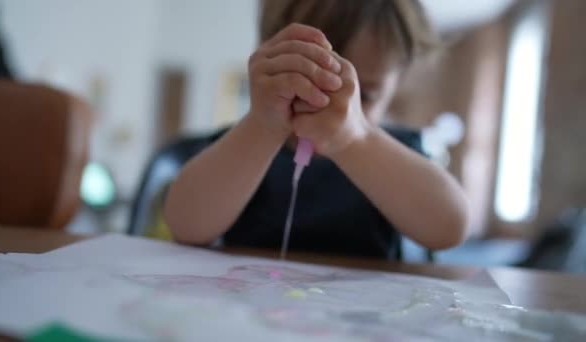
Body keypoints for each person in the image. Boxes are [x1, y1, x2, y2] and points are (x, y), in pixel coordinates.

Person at [164, 0, 468, 258]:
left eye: (364, 95)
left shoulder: (395, 153)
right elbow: (186, 227)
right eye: (303, 87)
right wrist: (262, 126)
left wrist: (355, 140)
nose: (330, 108)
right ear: (266, 63)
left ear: (396, 85)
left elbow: (450, 227)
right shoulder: (244, 143)